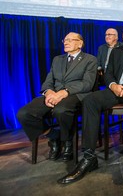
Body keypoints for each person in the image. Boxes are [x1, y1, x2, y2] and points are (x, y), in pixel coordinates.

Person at [57, 19, 123, 184]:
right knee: (90, 100)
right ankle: (89, 156)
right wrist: (113, 86)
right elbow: (108, 73)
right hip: (119, 88)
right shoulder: (117, 51)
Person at [17, 32, 97, 162]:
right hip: (54, 94)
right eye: (65, 40)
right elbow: (49, 80)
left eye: (70, 40)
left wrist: (64, 92)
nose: (66, 42)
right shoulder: (57, 59)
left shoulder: (90, 59)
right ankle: (54, 137)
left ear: (80, 43)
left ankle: (67, 143)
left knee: (61, 111)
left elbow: (87, 84)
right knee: (24, 114)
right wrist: (49, 92)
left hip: (75, 94)